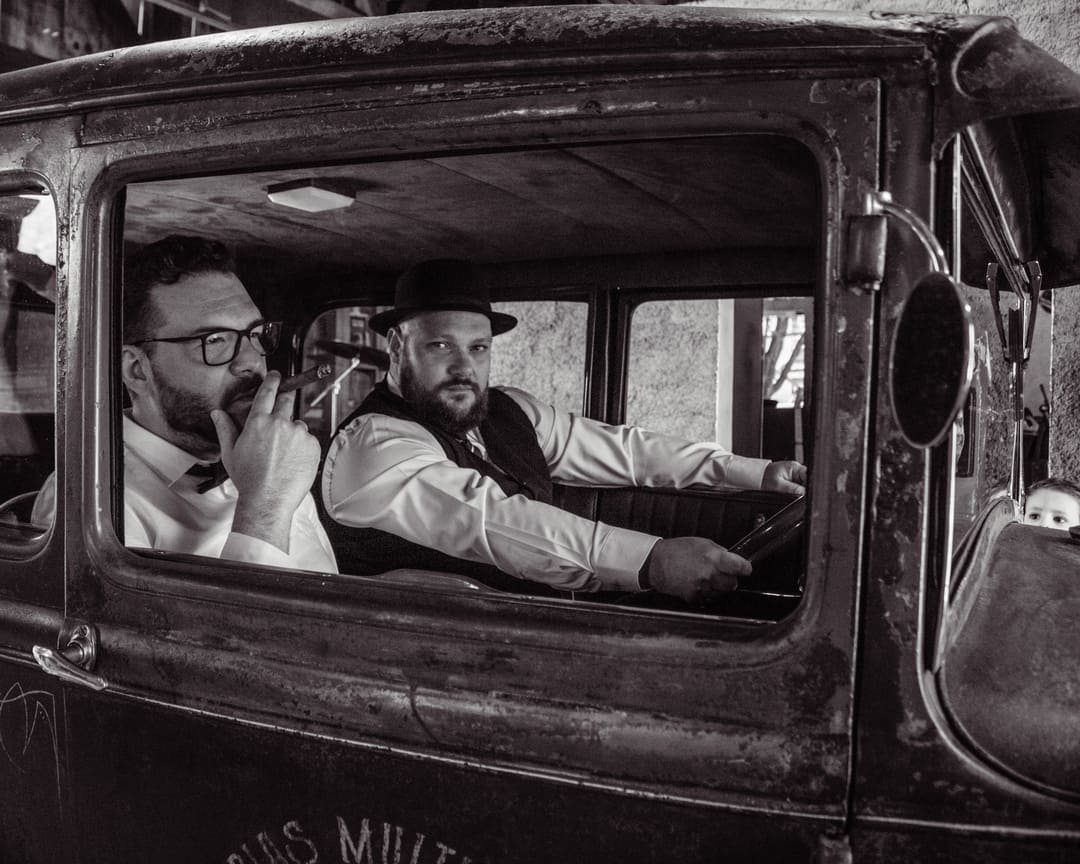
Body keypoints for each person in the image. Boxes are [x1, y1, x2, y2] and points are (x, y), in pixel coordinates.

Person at [321, 259, 804, 602]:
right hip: (417, 651)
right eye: (441, 346)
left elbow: (625, 452)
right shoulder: (372, 446)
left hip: (531, 623)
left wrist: (754, 473)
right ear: (396, 346)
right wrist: (652, 560)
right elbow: (494, 522)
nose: (464, 368)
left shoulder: (508, 409)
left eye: (479, 348)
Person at [33, 235, 337, 571]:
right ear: (137, 370)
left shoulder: (274, 454)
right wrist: (264, 509)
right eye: (214, 340)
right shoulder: (90, 501)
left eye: (255, 334)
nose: (252, 362)